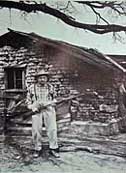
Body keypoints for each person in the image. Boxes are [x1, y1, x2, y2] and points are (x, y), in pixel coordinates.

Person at [26, 69, 59, 158]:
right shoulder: (31, 88)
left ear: (47, 79)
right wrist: (32, 108)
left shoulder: (50, 87)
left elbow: (55, 99)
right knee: (36, 130)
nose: (42, 80)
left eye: (44, 78)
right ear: (37, 79)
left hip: (48, 108)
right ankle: (37, 149)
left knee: (52, 129)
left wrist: (50, 103)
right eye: (40, 78)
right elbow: (28, 101)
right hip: (37, 109)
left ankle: (53, 148)